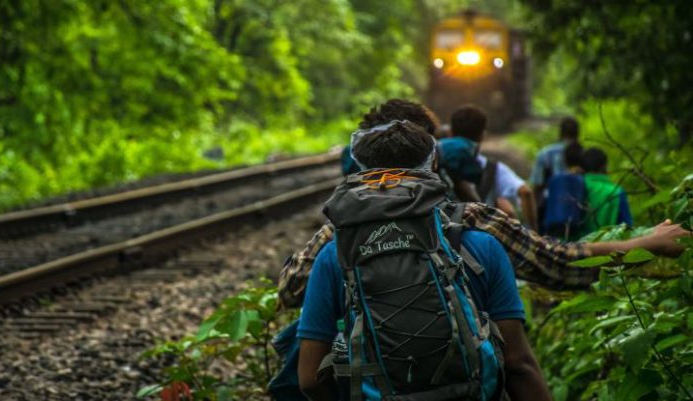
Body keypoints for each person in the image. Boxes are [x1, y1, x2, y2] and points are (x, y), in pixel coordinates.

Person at [277, 100, 689, 310]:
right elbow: (562, 264)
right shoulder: (472, 219)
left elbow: (291, 289)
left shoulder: (342, 228)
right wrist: (646, 242)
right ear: (433, 156)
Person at [297, 120, 552, 401]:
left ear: (361, 173)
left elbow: (310, 379)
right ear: (432, 166)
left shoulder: (335, 256)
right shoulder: (481, 246)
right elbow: (519, 365)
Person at [449, 105, 538, 230]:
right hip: (481, 234)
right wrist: (533, 231)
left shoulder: (439, 163)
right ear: (482, 135)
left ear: (451, 133)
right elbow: (526, 192)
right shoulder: (493, 168)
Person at [579, 147, 633, 235]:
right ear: (604, 166)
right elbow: (627, 228)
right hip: (605, 246)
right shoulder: (616, 191)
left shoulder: (573, 186)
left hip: (568, 246)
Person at [530, 117, 580, 210]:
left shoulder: (545, 153)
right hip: (577, 206)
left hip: (550, 206)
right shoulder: (582, 152)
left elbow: (537, 185)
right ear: (577, 134)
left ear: (560, 133)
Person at [542, 142, 586, 238]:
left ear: (564, 159)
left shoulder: (554, 179)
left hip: (551, 226)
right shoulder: (582, 179)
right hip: (574, 227)